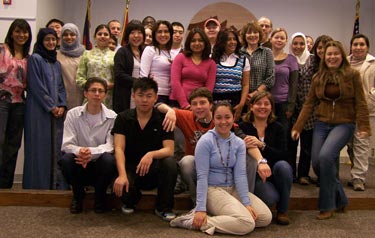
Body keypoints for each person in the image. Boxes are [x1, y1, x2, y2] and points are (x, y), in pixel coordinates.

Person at [292, 40, 371, 219]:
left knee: (326, 156)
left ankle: (328, 205)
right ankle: (341, 198)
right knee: (317, 162)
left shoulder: (352, 75)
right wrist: (298, 127)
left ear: (341, 56)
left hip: (344, 123)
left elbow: (360, 102)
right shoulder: (318, 77)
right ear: (324, 57)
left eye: (336, 54)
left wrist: (364, 126)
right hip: (322, 122)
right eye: (329, 54)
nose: (332, 57)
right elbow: (309, 103)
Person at [170, 101, 272, 235]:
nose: (223, 122)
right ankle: (192, 220)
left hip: (232, 189)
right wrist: (201, 208)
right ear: (213, 118)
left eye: (227, 117)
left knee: (265, 217)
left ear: (233, 118)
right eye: (219, 117)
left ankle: (209, 221)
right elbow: (202, 177)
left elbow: (240, 175)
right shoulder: (206, 141)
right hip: (213, 190)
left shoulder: (239, 143)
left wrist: (246, 203)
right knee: (247, 223)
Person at [157, 87, 259, 202]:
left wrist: (261, 161)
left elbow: (246, 141)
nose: (199, 107)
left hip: (221, 168)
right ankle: (198, 202)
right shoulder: (187, 117)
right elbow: (158, 105)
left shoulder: (220, 120)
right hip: (199, 166)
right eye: (194, 104)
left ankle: (246, 200)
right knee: (186, 162)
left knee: (250, 159)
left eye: (202, 103)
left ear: (211, 105)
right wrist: (170, 111)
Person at [112, 77, 177, 221]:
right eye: (140, 95)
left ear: (155, 98)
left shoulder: (163, 118)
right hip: (130, 168)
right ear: (133, 96)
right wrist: (122, 175)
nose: (144, 100)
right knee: (121, 184)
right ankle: (131, 199)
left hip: (153, 169)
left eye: (149, 96)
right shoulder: (123, 118)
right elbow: (119, 148)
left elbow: (169, 150)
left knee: (170, 163)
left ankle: (163, 207)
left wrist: (151, 154)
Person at [60, 77, 117, 214]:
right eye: (93, 90)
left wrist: (89, 153)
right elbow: (67, 144)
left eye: (100, 91)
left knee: (109, 161)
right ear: (85, 93)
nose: (97, 94)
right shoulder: (73, 114)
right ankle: (78, 197)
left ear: (105, 94)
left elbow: (110, 146)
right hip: (79, 163)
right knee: (66, 160)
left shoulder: (113, 117)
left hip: (99, 164)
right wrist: (82, 152)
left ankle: (100, 198)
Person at [239, 91, 293, 225]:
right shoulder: (242, 127)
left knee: (284, 167)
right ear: (251, 107)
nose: (262, 107)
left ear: (271, 108)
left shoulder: (278, 127)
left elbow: (284, 155)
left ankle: (283, 210)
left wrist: (262, 146)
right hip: (255, 176)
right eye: (258, 103)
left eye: (266, 104)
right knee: (270, 197)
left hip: (274, 172)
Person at [23, 28, 67, 189]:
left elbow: (61, 87)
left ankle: (55, 185)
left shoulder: (56, 63)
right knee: (39, 148)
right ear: (41, 41)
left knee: (56, 148)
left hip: (56, 113)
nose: (51, 43)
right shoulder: (35, 59)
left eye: (54, 40)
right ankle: (37, 186)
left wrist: (62, 105)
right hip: (38, 111)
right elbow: (36, 86)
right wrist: (51, 106)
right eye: (47, 39)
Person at [0, 19, 32, 188]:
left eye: (25, 32)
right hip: (2, 101)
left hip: (19, 104)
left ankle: (5, 185)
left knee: (13, 144)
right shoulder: (2, 49)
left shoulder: (29, 57)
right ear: (12, 33)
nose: (21, 35)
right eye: (18, 31)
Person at [346, 34, 375, 191]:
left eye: (361, 44)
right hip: (347, 110)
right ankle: (355, 172)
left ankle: (359, 178)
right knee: (350, 144)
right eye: (355, 44)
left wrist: (372, 96)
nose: (358, 47)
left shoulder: (373, 63)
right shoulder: (344, 62)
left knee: (362, 144)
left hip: (366, 110)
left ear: (367, 47)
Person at [289, 32, 318, 185]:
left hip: (310, 109)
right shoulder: (288, 59)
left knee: (307, 144)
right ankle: (291, 173)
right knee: (291, 144)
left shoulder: (312, 60)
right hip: (292, 107)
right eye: (295, 43)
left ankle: (304, 174)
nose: (298, 46)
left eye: (301, 43)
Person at [170, 28, 216, 109]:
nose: (197, 43)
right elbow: (175, 82)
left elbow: (209, 89)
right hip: (177, 103)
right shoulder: (180, 57)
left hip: (199, 106)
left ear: (205, 42)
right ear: (188, 43)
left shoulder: (211, 63)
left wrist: (199, 104)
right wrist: (185, 104)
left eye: (200, 40)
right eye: (193, 40)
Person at [212, 29, 250, 121]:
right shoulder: (213, 58)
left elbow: (245, 85)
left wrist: (241, 104)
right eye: (229, 39)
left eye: (234, 39)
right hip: (216, 101)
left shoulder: (244, 60)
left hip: (236, 101)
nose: (232, 42)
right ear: (222, 41)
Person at [76, 24, 115, 109]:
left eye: (106, 34)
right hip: (90, 96)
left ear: (110, 37)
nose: (102, 36)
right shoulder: (87, 54)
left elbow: (118, 79)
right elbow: (79, 78)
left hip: (108, 97)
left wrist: (111, 85)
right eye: (100, 34)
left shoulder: (115, 55)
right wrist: (92, 87)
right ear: (95, 36)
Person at [270, 28, 298, 130]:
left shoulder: (291, 59)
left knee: (283, 134)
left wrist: (291, 106)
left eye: (282, 38)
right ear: (271, 39)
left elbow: (294, 84)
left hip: (284, 104)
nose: (279, 40)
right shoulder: (266, 57)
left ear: (286, 41)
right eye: (276, 37)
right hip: (267, 103)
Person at [113, 22, 145, 113]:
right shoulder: (122, 52)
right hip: (126, 95)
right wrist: (137, 82)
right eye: (132, 32)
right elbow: (119, 74)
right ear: (127, 35)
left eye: (139, 32)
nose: (136, 36)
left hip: (142, 94)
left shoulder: (145, 52)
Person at [240, 21, 275, 106]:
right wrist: (245, 96)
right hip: (241, 98)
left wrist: (255, 93)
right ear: (244, 36)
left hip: (261, 98)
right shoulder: (239, 53)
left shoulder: (267, 52)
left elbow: (270, 78)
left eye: (255, 32)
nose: (252, 35)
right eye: (249, 33)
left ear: (259, 34)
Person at [140, 20, 174, 104]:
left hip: (171, 95)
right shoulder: (150, 50)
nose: (163, 35)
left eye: (166, 31)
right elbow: (143, 76)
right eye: (159, 32)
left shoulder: (173, 53)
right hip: (155, 94)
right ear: (154, 34)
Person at [57, 23, 85, 110]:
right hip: (63, 97)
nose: (69, 37)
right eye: (65, 35)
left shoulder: (85, 54)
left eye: (72, 34)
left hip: (82, 96)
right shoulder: (56, 55)